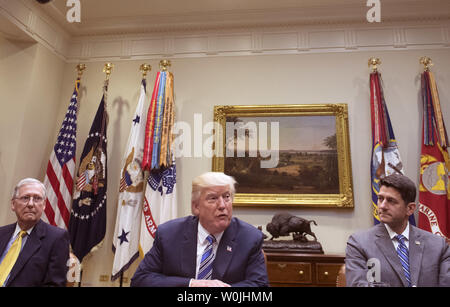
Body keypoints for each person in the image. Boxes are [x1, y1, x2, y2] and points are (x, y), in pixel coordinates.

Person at [131, 172, 269, 287]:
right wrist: (192, 284)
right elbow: (141, 280)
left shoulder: (249, 238)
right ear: (196, 207)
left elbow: (260, 285)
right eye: (213, 198)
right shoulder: (169, 235)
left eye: (227, 197)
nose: (222, 205)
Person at [345, 173, 450, 287]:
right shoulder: (359, 243)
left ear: (410, 209)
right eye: (380, 199)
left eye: (391, 201)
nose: (382, 206)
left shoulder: (438, 245)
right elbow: (357, 285)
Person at [0, 178, 70, 287]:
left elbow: (55, 284)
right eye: (25, 198)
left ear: (44, 205)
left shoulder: (57, 238)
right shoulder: (1, 233)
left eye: (37, 198)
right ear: (13, 204)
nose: (31, 204)